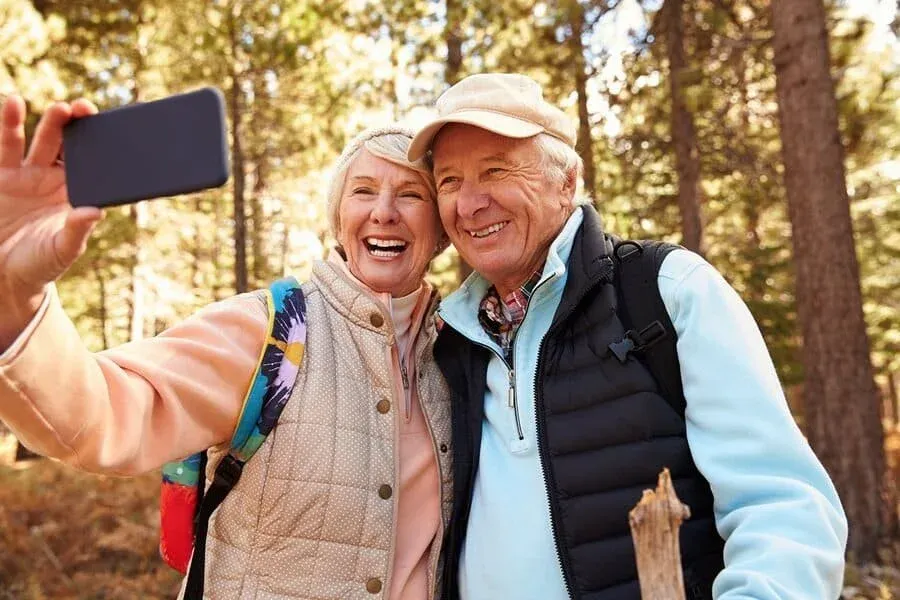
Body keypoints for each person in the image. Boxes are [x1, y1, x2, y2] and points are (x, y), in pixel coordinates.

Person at [406, 73, 848, 600]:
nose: (469, 203)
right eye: (450, 182)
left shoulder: (666, 291)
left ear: (566, 182)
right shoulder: (451, 341)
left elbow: (782, 505)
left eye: (495, 170)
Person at [0, 94, 452, 600]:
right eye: (363, 191)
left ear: (441, 231)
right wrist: (14, 300)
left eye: (411, 195)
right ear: (338, 220)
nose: (384, 212)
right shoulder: (273, 330)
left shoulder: (460, 359)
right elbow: (105, 414)